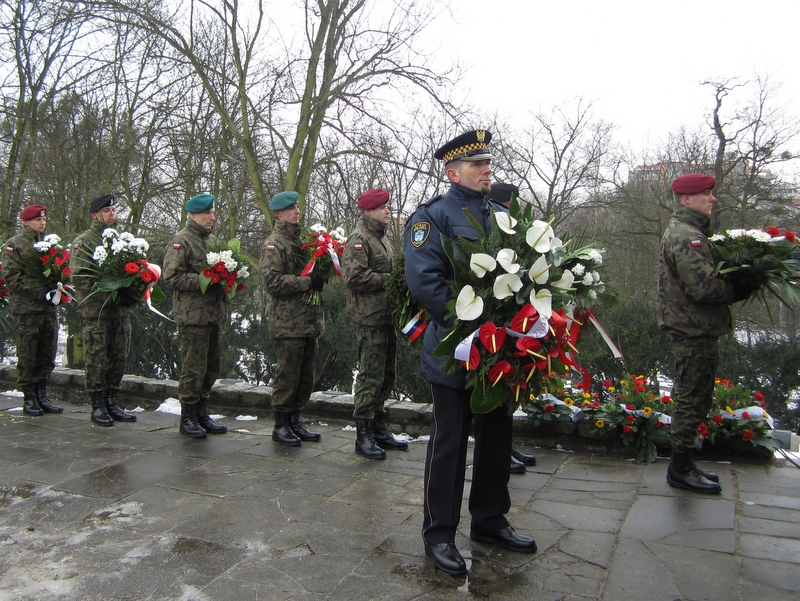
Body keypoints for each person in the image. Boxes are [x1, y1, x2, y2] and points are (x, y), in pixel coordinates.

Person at [404, 130, 537, 577]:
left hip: (502, 352)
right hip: (454, 350)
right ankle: (439, 533)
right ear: (453, 171)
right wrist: (475, 328)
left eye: (488, 163)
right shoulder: (432, 218)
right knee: (449, 445)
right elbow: (427, 283)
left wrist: (519, 327)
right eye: (478, 164)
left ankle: (490, 519)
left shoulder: (503, 215)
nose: (487, 170)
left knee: (498, 438)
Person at [657, 173, 753, 494]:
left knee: (696, 396)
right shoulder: (687, 236)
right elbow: (703, 286)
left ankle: (683, 463)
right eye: (705, 194)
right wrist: (739, 286)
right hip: (692, 327)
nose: (712, 199)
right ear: (687, 199)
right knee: (690, 398)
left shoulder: (692, 232)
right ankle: (680, 468)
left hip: (695, 326)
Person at [342, 188, 408, 460]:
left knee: (386, 373)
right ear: (368, 211)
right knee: (370, 375)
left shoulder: (383, 239)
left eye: (387, 207)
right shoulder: (359, 239)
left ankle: (379, 427)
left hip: (386, 316)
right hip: (369, 318)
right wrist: (389, 280)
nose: (387, 211)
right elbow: (353, 277)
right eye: (382, 207)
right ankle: (364, 434)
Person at [260, 191, 324, 446]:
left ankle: (296, 419)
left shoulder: (305, 241)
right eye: (290, 208)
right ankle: (281, 424)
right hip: (288, 323)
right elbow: (272, 282)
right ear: (278, 214)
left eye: (297, 206)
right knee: (287, 376)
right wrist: (307, 281)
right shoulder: (274, 243)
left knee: (305, 376)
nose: (296, 211)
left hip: (308, 321)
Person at [163, 194, 229, 439]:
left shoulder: (213, 240)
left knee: (211, 366)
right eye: (206, 213)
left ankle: (202, 412)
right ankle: (188, 416)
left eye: (212, 212)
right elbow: (171, 277)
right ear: (192, 215)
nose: (212, 217)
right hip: (192, 315)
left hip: (213, 314)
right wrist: (206, 280)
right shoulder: (182, 241)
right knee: (193, 367)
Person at [70, 195, 137, 426]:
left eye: (114, 210)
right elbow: (80, 278)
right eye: (107, 210)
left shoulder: (120, 240)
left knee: (119, 356)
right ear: (95, 214)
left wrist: (131, 291)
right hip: (97, 311)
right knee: (97, 357)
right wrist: (107, 296)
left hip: (120, 311)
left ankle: (112, 401)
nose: (112, 214)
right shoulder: (85, 241)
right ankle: (98, 404)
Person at [489, 182, 538, 474]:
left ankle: (505, 444)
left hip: (516, 314)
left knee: (511, 385)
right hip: (498, 318)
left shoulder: (513, 227)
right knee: (499, 381)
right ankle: (497, 449)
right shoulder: (496, 228)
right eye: (512, 206)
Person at [1, 205, 63, 416]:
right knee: (28, 354)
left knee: (47, 353)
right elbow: (12, 278)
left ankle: (42, 395)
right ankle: (29, 397)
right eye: (37, 220)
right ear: (26, 222)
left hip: (48, 310)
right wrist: (42, 292)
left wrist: (59, 288)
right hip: (27, 309)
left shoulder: (48, 245)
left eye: (44, 219)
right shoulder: (15, 245)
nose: (42, 223)